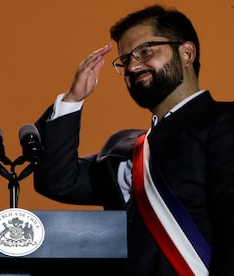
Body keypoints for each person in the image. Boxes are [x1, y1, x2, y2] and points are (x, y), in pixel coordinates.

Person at [33, 4, 234, 275]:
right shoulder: (126, 148)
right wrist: (72, 99)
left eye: (145, 51)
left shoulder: (225, 121)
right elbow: (57, 181)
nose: (133, 66)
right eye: (125, 59)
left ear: (186, 53)